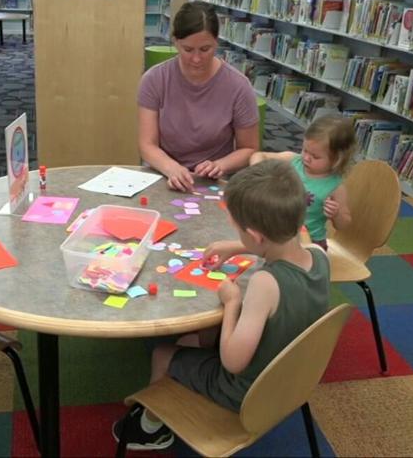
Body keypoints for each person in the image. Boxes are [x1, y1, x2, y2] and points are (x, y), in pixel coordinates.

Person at [112, 160, 330, 450]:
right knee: (193, 339)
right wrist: (237, 246)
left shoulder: (265, 284)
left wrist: (232, 303)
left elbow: (232, 361)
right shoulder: (319, 255)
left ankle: (150, 429)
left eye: (240, 234)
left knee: (163, 353)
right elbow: (281, 242)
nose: (238, 238)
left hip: (247, 392)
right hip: (291, 379)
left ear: (255, 236)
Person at [138, 1, 259, 192]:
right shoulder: (154, 79)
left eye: (205, 49)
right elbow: (147, 144)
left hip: (212, 182)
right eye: (187, 49)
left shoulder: (238, 86)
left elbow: (249, 149)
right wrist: (172, 168)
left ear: (217, 42)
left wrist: (220, 165)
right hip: (163, 174)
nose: (196, 59)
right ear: (176, 42)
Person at [249, 115, 355, 249]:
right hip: (280, 234)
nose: (306, 158)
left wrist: (336, 214)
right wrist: (256, 172)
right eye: (305, 150)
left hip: (310, 243)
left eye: (315, 156)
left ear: (337, 160)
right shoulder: (293, 160)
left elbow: (344, 224)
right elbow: (259, 155)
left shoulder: (335, 187)